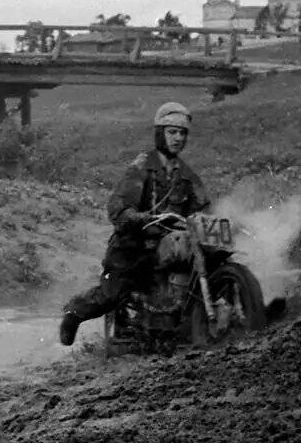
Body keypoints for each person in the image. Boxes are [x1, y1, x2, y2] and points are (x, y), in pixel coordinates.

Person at [59, 101, 211, 346]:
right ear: (160, 134)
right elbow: (118, 209)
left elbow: (203, 208)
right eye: (172, 132)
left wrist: (207, 220)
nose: (178, 138)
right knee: (112, 295)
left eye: (182, 133)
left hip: (167, 246)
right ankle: (74, 313)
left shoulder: (187, 175)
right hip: (133, 247)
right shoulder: (142, 167)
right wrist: (141, 218)